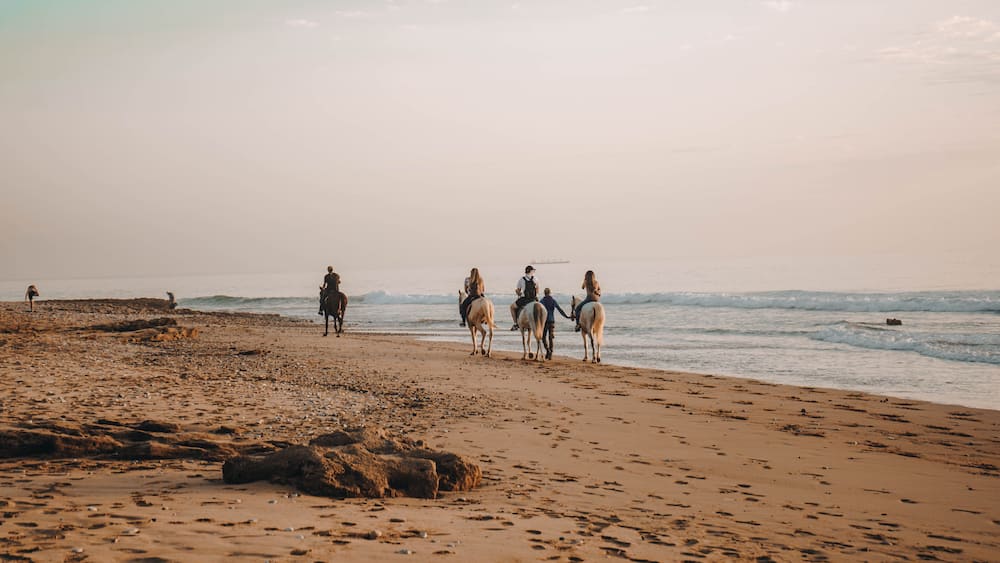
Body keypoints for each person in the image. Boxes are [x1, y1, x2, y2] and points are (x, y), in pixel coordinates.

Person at [540, 287, 571, 360]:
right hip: (552, 321)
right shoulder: (553, 301)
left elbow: (539, 311)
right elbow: (560, 310)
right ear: (550, 293)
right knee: (551, 338)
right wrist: (567, 316)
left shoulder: (542, 301)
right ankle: (551, 352)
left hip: (544, 322)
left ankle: (548, 350)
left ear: (544, 293)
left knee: (543, 337)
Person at [510, 265, 539, 331]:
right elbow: (537, 289)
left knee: (512, 307)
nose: (534, 272)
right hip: (533, 299)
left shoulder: (521, 279)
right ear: (530, 271)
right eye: (533, 270)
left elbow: (518, 290)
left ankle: (515, 324)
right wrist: (536, 295)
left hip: (525, 299)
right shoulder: (535, 279)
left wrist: (518, 293)